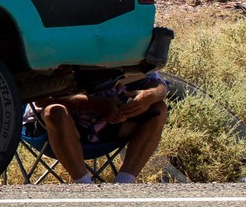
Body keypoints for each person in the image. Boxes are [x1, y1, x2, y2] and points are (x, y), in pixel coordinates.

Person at [37, 73, 169, 185]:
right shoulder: (58, 53)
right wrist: (97, 104)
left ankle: (123, 185)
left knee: (159, 109)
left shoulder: (123, 52)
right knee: (54, 111)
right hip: (60, 129)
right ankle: (84, 187)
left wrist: (150, 96)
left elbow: (160, 85)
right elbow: (41, 99)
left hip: (111, 125)